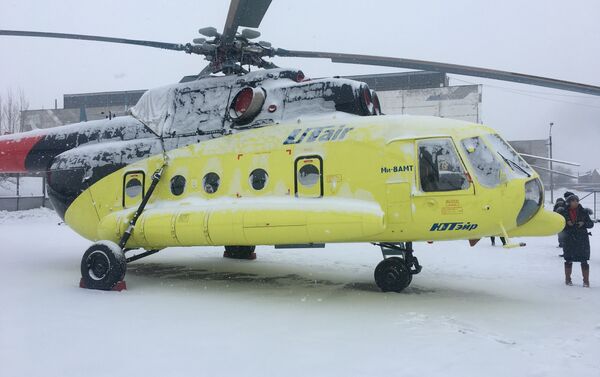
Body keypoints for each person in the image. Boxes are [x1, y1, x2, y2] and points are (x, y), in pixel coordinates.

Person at [560, 194, 594, 287]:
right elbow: (558, 225)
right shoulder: (564, 212)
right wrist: (567, 224)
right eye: (573, 201)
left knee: (584, 260)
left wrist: (583, 223)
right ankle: (568, 279)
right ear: (569, 202)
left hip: (582, 239)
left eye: (577, 200)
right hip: (569, 239)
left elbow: (591, 224)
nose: (576, 202)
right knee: (568, 259)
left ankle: (586, 281)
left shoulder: (583, 211)